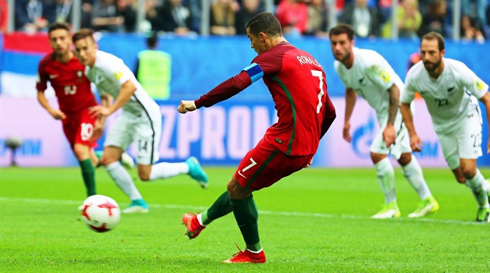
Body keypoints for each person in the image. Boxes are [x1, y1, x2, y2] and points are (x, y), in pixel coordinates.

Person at [177, 12, 336, 263]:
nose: (251, 45)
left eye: (251, 39)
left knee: (237, 189)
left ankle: (254, 252)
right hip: (303, 146)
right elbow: (329, 112)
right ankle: (198, 221)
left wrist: (198, 103)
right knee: (241, 185)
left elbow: (238, 82)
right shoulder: (311, 61)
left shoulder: (273, 57)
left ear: (262, 37)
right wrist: (312, 147)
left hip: (284, 140)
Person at [72, 28, 208, 214]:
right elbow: (105, 96)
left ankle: (188, 166)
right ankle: (138, 202)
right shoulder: (90, 70)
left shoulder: (107, 63)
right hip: (128, 113)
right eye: (77, 50)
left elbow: (129, 87)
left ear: (94, 47)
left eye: (85, 48)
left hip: (145, 115)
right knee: (108, 159)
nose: (81, 53)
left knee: (145, 174)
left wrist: (110, 110)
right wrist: (102, 119)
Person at [329, 23, 438, 219]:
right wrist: (346, 120)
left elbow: (394, 90)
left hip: (399, 105)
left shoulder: (368, 63)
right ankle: (427, 200)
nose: (337, 47)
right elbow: (350, 90)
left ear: (352, 43)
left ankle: (391, 206)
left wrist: (390, 125)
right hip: (384, 110)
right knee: (403, 156)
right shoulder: (339, 66)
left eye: (342, 43)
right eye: (334, 43)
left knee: (377, 153)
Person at [37, 22, 133, 200]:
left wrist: (102, 119)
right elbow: (40, 92)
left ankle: (92, 200)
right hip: (67, 117)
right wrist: (51, 110)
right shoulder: (46, 65)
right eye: (54, 39)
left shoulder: (82, 61)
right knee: (90, 161)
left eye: (62, 38)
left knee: (81, 150)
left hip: (87, 112)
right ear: (50, 42)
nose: (59, 42)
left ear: (69, 40)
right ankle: (114, 157)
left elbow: (104, 89)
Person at [401, 32, 490, 222]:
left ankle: (484, 207)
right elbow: (404, 103)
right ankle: (486, 188)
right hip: (442, 126)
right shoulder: (415, 75)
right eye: (423, 52)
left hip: (467, 117)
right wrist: (412, 133)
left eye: (432, 53)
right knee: (461, 177)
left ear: (442, 53)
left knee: (468, 169)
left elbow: (487, 98)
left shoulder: (458, 71)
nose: (426, 58)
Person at [135, 32, 172, 100]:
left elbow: (136, 74)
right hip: (162, 93)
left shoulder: (142, 56)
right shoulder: (166, 57)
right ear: (157, 43)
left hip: (145, 93)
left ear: (146, 43)